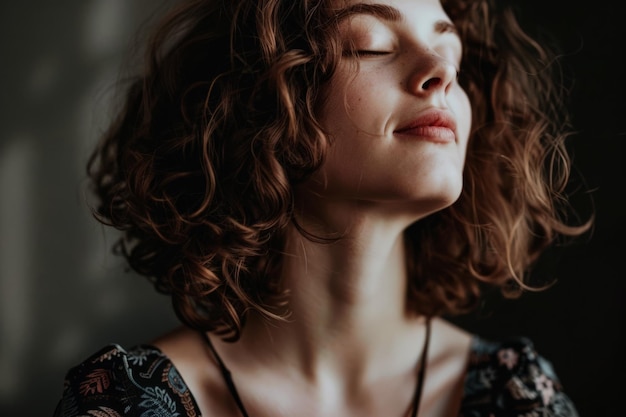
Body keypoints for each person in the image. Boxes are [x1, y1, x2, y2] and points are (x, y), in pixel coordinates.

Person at [53, 0, 591, 415]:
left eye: (452, 54)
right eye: (371, 44)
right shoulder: (130, 402)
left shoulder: (517, 396)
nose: (441, 73)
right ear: (260, 102)